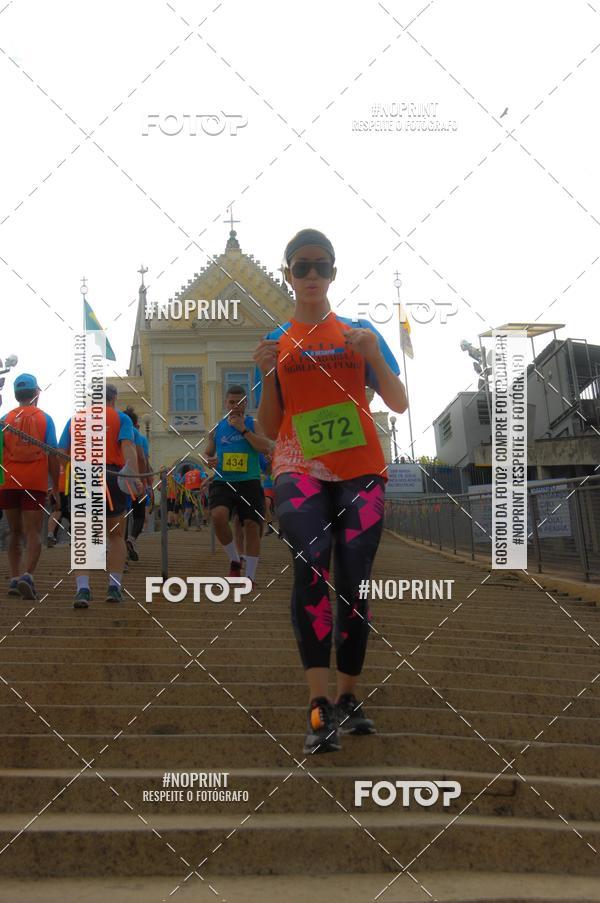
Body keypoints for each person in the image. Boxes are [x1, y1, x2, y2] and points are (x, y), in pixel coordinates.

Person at [254, 228, 408, 754]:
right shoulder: (278, 341)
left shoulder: (360, 332)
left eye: (322, 265)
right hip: (299, 465)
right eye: (302, 266)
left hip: (360, 467)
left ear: (335, 273)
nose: (312, 275)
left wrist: (375, 356)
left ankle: (348, 695)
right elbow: (271, 425)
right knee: (311, 559)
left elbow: (398, 401)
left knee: (356, 576)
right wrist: (269, 375)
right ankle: (318, 702)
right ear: (289, 274)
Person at [58, 384, 142, 608]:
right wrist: (134, 477)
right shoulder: (120, 418)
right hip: (111, 475)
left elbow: (61, 454)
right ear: (113, 398)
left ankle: (83, 590)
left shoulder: (76, 418)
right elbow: (128, 448)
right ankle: (114, 586)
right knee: (115, 535)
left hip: (83, 476)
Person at [205, 385, 272, 586]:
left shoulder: (254, 424)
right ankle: (235, 559)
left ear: (246, 404)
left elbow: (264, 446)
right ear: (226, 403)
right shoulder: (217, 428)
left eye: (240, 402)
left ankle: (250, 576)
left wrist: (243, 429)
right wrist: (209, 460)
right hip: (223, 481)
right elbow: (207, 452)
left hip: (249, 481)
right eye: (232, 402)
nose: (235, 406)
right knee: (218, 517)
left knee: (252, 526)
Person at [0, 373, 60, 599]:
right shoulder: (45, 419)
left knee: (13, 531)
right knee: (33, 531)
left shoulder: (5, 419)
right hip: (34, 482)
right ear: (36, 393)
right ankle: (27, 575)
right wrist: (56, 485)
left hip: (8, 481)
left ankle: (15, 577)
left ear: (16, 394)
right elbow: (53, 456)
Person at [123, 407, 150, 561]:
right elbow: (142, 458)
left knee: (122, 516)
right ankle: (131, 540)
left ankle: (120, 555)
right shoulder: (138, 435)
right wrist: (144, 481)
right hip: (137, 481)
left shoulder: (118, 432)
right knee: (139, 515)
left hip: (121, 480)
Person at [47, 460, 70, 547]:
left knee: (56, 512)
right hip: (66, 489)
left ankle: (50, 535)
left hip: (55, 489)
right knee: (72, 513)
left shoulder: (54, 458)